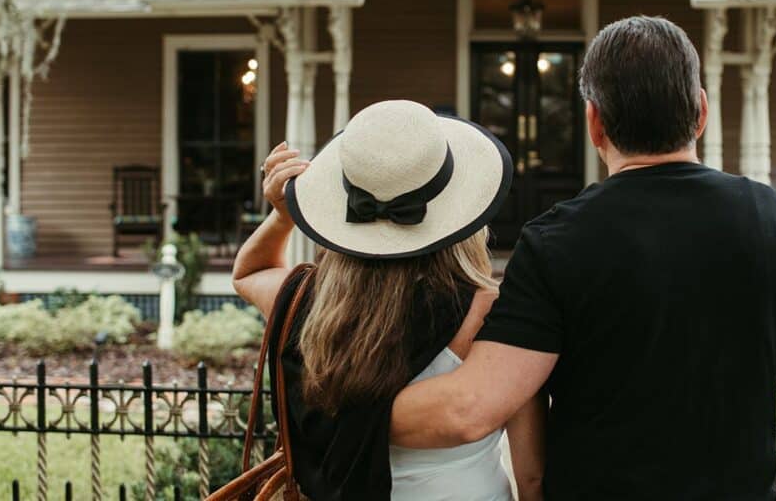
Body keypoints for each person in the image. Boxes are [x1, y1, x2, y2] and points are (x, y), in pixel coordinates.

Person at [390, 16, 776, 500]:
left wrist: (331, 412)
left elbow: (472, 411)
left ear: (594, 122)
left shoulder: (554, 243)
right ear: (701, 112)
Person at [232, 100, 545, 500]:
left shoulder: (307, 304)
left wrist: (282, 215)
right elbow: (532, 474)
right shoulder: (492, 313)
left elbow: (249, 273)